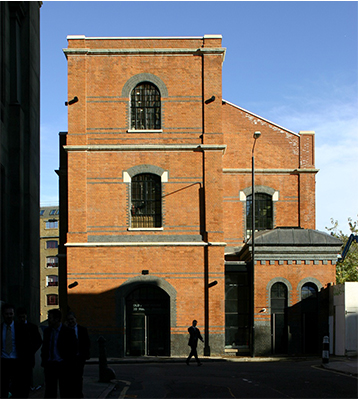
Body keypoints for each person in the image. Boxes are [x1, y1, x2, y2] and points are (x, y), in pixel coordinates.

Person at [41, 308, 78, 398]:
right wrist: (45, 361)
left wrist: (68, 363)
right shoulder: (47, 331)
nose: (49, 320)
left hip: (62, 364)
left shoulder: (68, 332)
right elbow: (45, 347)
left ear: (57, 319)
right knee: (50, 390)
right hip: (50, 364)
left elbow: (73, 349)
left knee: (65, 390)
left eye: (50, 318)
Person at [1, 303, 29, 398]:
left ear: (13, 314)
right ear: (3, 315)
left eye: (11, 314)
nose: (9, 316)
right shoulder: (1, 328)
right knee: (3, 387)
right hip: (4, 361)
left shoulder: (20, 328)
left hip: (17, 361)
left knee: (18, 388)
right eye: (7, 314)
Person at [16, 307, 43, 395]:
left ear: (26, 316)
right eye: (20, 317)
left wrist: (31, 350)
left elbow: (38, 341)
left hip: (28, 358)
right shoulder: (15, 327)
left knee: (26, 381)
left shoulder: (32, 327)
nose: (22, 319)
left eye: (23, 317)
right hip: (17, 358)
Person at [66, 311, 91, 398]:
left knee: (79, 376)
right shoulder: (65, 331)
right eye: (68, 320)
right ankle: (72, 393)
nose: (70, 321)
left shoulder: (82, 329)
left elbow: (87, 342)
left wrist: (85, 355)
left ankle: (79, 393)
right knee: (70, 377)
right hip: (69, 358)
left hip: (80, 357)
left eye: (72, 319)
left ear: (75, 319)